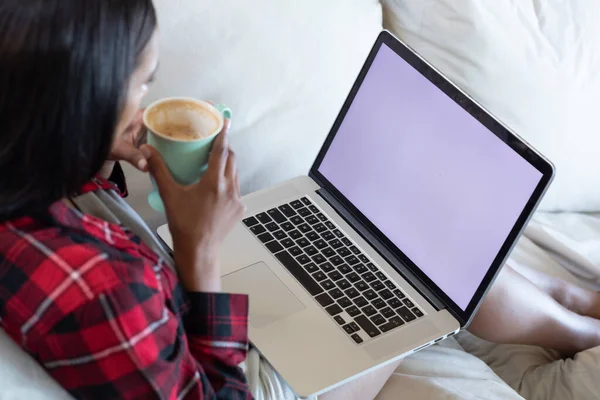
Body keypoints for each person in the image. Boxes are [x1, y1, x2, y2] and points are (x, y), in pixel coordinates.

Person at [0, 1, 599, 399]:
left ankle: (567, 296)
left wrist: (104, 155)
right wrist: (200, 254)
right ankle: (574, 326)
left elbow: (90, 218)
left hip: (180, 304)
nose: (151, 97)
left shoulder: (25, 180)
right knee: (411, 263)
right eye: (143, 85)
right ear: (76, 105)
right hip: (244, 376)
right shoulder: (103, 293)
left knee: (377, 229)